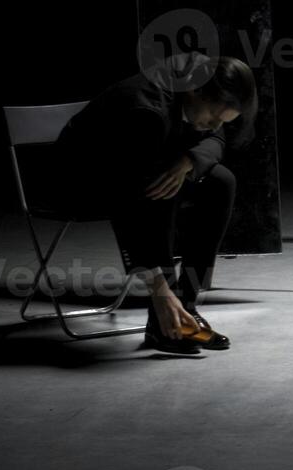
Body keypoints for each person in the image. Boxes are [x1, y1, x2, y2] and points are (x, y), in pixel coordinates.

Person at [51, 52, 257, 355]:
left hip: (136, 174)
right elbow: (129, 203)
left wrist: (188, 160)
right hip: (79, 183)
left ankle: (185, 307)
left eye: (221, 120)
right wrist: (158, 289)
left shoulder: (201, 87)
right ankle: (164, 318)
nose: (214, 125)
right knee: (161, 186)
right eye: (213, 117)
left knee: (220, 182)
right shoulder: (147, 112)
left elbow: (217, 139)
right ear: (194, 92)